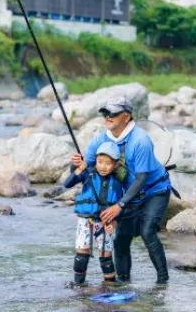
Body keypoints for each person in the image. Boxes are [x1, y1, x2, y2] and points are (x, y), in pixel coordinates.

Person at [70, 97, 172, 284]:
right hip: (126, 196)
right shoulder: (100, 139)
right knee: (120, 239)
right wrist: (77, 165)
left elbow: (141, 179)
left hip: (154, 190)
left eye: (113, 114)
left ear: (126, 116)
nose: (107, 117)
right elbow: (86, 168)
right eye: (105, 113)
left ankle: (162, 284)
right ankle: (123, 284)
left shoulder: (140, 140)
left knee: (147, 231)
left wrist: (119, 205)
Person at [63, 141, 125, 285]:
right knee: (81, 254)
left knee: (106, 256)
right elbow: (67, 184)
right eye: (100, 162)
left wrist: (115, 222)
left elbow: (120, 207)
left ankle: (110, 285)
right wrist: (79, 169)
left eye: (108, 163)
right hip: (85, 221)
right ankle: (78, 285)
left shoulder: (115, 184)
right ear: (95, 161)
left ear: (115, 165)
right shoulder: (88, 174)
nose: (103, 166)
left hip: (104, 222)